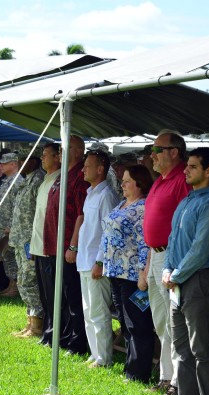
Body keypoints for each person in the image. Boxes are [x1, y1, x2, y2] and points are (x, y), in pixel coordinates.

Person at [163, 147, 209, 395]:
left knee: (201, 347)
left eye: (191, 166)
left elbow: (201, 250)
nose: (186, 170)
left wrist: (175, 275)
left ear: (208, 171)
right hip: (178, 280)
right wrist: (167, 267)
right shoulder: (188, 200)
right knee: (181, 344)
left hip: (200, 280)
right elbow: (172, 241)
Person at [143, 130, 191, 395]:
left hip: (171, 256)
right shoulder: (161, 179)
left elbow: (186, 224)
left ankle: (177, 382)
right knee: (161, 321)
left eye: (158, 149)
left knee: (174, 322)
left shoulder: (182, 179)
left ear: (174, 152)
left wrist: (174, 264)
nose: (153, 154)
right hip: (155, 254)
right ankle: (166, 377)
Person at [101, 164, 154, 382]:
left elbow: (145, 242)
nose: (122, 184)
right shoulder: (122, 204)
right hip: (115, 271)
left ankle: (138, 372)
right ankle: (129, 366)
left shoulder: (143, 207)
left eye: (127, 181)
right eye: (122, 180)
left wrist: (144, 272)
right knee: (124, 322)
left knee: (137, 324)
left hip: (132, 275)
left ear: (139, 184)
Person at [42, 135, 89, 354]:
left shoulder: (80, 176)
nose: (60, 153)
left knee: (73, 296)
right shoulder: (63, 175)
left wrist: (73, 245)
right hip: (54, 245)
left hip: (68, 247)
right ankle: (62, 335)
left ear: (78, 151)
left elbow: (81, 213)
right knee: (60, 295)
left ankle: (78, 342)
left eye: (65, 149)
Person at [77, 148, 120, 367]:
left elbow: (109, 231)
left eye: (88, 165)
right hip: (85, 259)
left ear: (100, 169)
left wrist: (101, 261)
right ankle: (95, 353)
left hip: (96, 261)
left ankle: (104, 358)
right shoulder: (91, 192)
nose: (83, 168)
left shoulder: (107, 195)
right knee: (88, 310)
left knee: (99, 311)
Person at [9, 153, 45, 338]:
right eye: (19, 161)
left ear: (34, 160)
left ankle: (37, 324)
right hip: (20, 239)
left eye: (25, 160)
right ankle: (30, 322)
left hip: (31, 240)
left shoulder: (39, 179)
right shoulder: (27, 180)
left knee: (30, 281)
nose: (21, 164)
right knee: (22, 279)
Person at [31, 143, 62, 345]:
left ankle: (53, 333)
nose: (42, 159)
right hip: (39, 245)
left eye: (46, 155)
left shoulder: (59, 180)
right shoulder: (45, 180)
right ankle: (47, 333)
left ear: (58, 157)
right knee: (44, 294)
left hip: (49, 247)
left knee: (52, 295)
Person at [0, 153, 24, 297]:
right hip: (2, 225)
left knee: (10, 255)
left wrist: (11, 225)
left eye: (5, 163)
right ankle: (11, 285)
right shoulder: (7, 180)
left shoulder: (17, 181)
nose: (1, 166)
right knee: (5, 255)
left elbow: (18, 206)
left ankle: (15, 287)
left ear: (14, 164)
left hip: (10, 228)